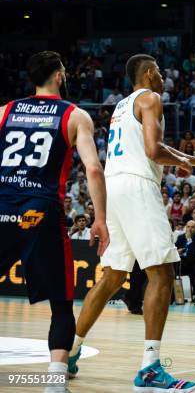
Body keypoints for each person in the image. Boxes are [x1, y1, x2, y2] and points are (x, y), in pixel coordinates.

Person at [68, 54, 195, 392]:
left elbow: (146, 148)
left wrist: (181, 160)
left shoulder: (122, 105)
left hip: (114, 186)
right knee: (162, 272)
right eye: (161, 72)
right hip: (137, 187)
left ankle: (71, 351)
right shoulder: (151, 98)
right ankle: (150, 368)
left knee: (113, 276)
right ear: (150, 73)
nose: (164, 77)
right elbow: (152, 150)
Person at [0, 51, 109, 393]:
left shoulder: (5, 111)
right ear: (60, 76)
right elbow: (92, 168)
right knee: (61, 303)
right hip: (42, 211)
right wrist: (100, 218)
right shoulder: (75, 115)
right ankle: (55, 382)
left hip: (2, 203)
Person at [175, 220, 195, 303]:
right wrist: (178, 251)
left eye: (192, 227)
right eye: (188, 227)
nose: (190, 229)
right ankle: (177, 296)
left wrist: (189, 240)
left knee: (194, 271)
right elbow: (175, 249)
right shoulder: (180, 237)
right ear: (185, 227)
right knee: (172, 271)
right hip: (182, 263)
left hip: (194, 262)